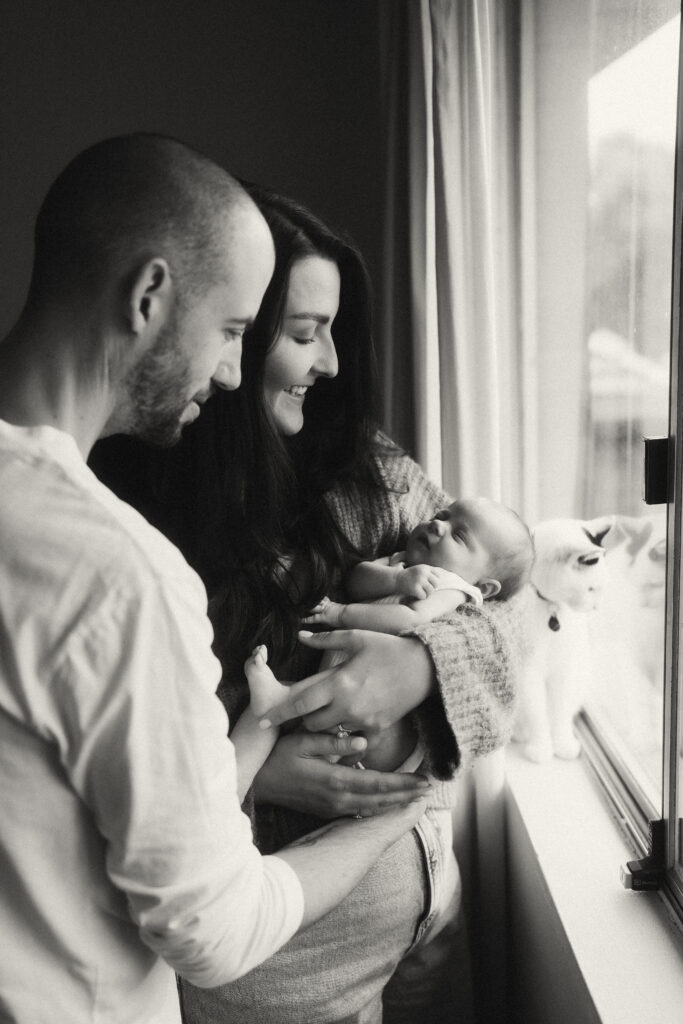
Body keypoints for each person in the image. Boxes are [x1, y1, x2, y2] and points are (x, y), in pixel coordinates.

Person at [0, 136, 431, 1024]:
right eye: (234, 330)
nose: (232, 371)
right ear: (149, 296)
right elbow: (215, 929)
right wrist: (401, 818)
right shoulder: (115, 570)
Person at [91, 185, 526, 1024]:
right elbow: (123, 738)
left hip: (425, 902)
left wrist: (419, 662)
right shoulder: (128, 506)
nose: (327, 362)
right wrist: (251, 769)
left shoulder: (364, 467)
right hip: (278, 973)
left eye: (332, 332)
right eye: (300, 334)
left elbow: (507, 605)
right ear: (235, 335)